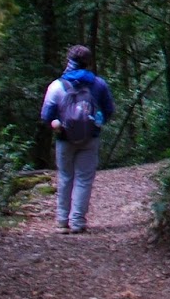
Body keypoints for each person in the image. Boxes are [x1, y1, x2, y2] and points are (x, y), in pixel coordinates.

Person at [39, 45, 115, 233]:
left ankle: (62, 220)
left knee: (65, 177)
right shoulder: (98, 84)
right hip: (90, 137)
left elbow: (46, 115)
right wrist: (96, 122)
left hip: (64, 137)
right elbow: (109, 110)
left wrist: (56, 123)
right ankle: (78, 221)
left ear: (69, 61)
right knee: (84, 178)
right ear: (89, 62)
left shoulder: (57, 85)